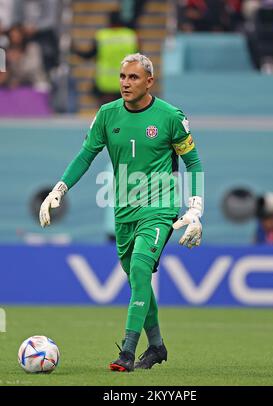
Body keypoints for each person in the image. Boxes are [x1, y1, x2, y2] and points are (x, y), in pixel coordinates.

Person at [39, 53, 204, 372]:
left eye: (134, 78)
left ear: (150, 82)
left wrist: (195, 208)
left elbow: (193, 162)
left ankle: (127, 353)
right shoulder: (106, 114)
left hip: (159, 207)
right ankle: (156, 347)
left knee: (141, 271)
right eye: (123, 77)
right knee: (137, 279)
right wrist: (59, 189)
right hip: (124, 211)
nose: (126, 83)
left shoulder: (171, 116)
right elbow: (85, 155)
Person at [73, 10, 138, 105]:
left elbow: (88, 55)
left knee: (106, 113)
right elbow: (140, 59)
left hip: (104, 83)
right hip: (126, 82)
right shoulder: (130, 36)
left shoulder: (102, 36)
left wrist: (74, 49)